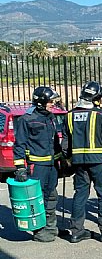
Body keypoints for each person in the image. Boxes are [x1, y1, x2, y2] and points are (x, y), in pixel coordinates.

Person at [62, 81, 102, 243]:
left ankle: (76, 232)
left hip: (79, 163)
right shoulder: (100, 115)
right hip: (100, 162)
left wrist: (68, 159)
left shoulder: (69, 115)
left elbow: (65, 144)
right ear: (96, 98)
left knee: (80, 194)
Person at [13, 86, 64, 242]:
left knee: (51, 195)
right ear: (41, 102)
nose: (52, 104)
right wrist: (20, 167)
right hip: (37, 166)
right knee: (38, 198)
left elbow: (55, 142)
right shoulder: (27, 119)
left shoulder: (50, 117)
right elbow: (19, 144)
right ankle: (39, 231)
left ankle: (51, 228)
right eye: (50, 101)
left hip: (51, 165)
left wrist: (62, 161)